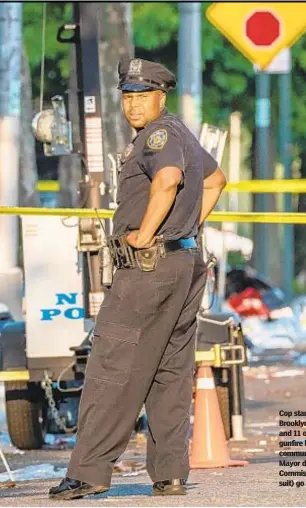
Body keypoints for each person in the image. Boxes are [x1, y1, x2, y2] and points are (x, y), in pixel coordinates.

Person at [49, 58, 226, 500]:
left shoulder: (159, 136)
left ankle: (89, 472)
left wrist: (148, 234)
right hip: (183, 266)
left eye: (142, 95)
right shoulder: (182, 133)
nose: (133, 105)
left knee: (112, 367)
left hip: (148, 267)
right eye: (127, 96)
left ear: (160, 96)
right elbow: (217, 179)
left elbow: (168, 180)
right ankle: (170, 474)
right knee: (169, 370)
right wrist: (187, 230)